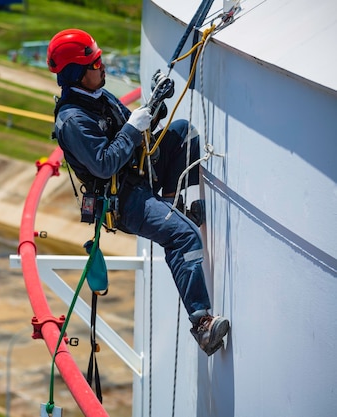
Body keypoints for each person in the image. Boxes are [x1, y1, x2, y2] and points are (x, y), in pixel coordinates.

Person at [46, 28, 230, 356]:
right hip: (124, 200)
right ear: (77, 73)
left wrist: (156, 104)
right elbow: (104, 163)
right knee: (184, 237)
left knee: (182, 134)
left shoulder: (98, 98)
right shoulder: (73, 120)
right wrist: (133, 127)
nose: (102, 67)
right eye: (96, 63)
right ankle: (202, 324)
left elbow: (134, 129)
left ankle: (171, 207)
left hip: (139, 176)